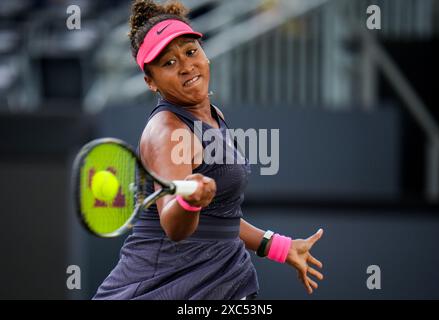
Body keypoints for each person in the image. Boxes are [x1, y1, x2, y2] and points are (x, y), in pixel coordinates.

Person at [93, 0, 324, 300]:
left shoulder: (213, 115)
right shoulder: (168, 133)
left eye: (190, 52)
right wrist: (189, 202)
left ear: (205, 55)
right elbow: (174, 225)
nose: (187, 66)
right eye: (169, 63)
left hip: (223, 282)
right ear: (150, 82)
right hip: (164, 289)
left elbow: (218, 216)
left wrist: (280, 246)